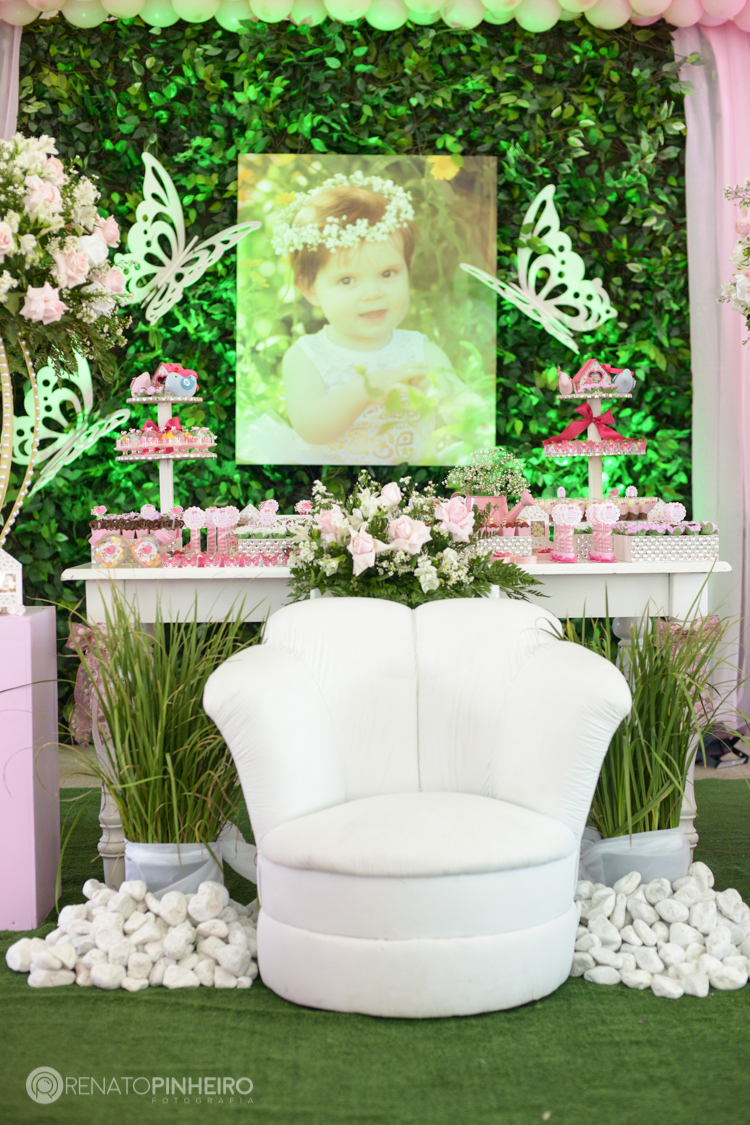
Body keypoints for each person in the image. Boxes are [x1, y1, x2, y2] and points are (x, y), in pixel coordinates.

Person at [271, 171, 483, 465]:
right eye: (347, 280)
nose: (372, 293)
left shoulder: (422, 353)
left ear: (407, 270)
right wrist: (364, 390)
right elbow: (310, 428)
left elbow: (474, 420)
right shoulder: (306, 356)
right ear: (310, 290)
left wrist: (445, 395)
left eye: (387, 273)